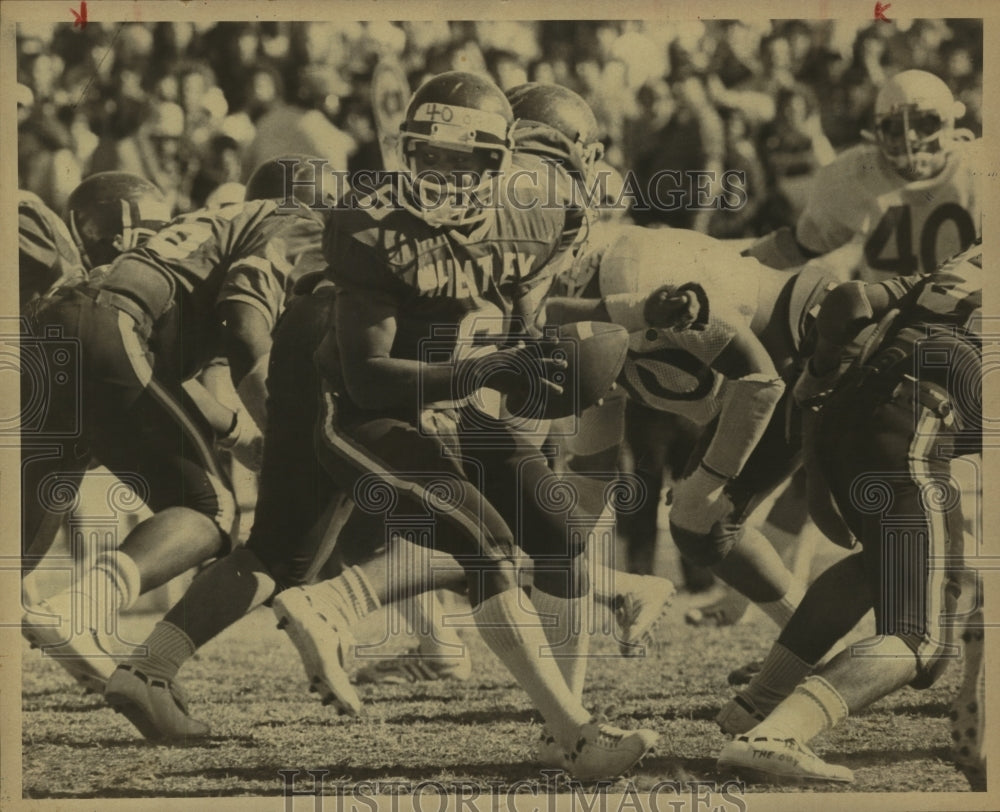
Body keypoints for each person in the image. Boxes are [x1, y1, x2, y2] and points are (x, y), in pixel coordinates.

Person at [103, 73, 659, 781]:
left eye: (466, 161)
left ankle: (153, 667)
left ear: (505, 161)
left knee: (558, 529)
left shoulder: (543, 213)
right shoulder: (373, 221)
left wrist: (539, 364)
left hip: (442, 384)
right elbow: (370, 376)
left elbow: (515, 321)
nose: (444, 175)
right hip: (354, 382)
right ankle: (571, 732)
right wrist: (491, 372)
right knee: (473, 538)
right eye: (431, 156)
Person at [21, 170, 324, 694]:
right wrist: (288, 444)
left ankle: (68, 624)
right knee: (210, 511)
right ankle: (77, 610)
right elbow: (248, 341)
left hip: (68, 332)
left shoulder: (211, 231)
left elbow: (158, 372)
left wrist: (240, 435)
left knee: (15, 554)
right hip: (107, 325)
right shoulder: (292, 220)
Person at [717, 241, 982, 783]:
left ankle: (756, 705)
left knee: (875, 569)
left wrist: (816, 447)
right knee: (922, 639)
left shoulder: (968, 262)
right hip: (915, 427)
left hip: (852, 408)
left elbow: (848, 302)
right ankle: (777, 735)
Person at [795, 70, 981, 283]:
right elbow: (800, 248)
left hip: (963, 309)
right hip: (887, 310)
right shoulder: (853, 173)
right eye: (894, 127)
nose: (910, 137)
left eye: (924, 124)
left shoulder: (979, 169)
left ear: (948, 123)